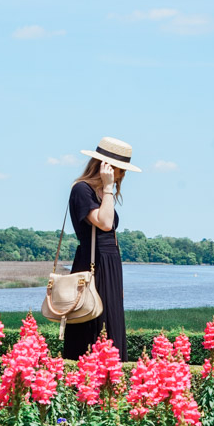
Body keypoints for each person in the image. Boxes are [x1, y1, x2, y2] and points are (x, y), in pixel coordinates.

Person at [63, 137, 141, 362]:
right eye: (120, 170)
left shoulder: (99, 194)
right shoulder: (81, 190)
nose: (122, 176)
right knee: (93, 327)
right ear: (106, 167)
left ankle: (110, 386)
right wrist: (108, 188)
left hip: (109, 266)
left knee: (112, 327)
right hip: (93, 265)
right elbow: (105, 223)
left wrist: (119, 284)